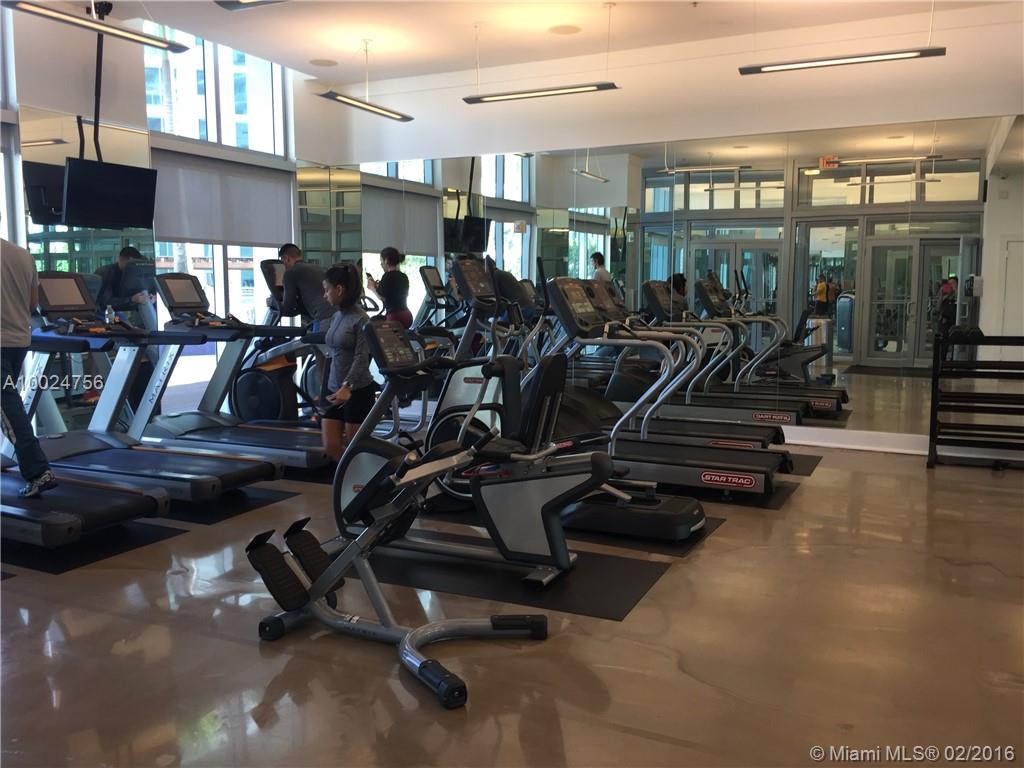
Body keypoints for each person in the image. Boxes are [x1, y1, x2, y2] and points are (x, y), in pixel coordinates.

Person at [1, 235, 57, 497]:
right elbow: (32, 303)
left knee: (8, 409)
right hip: (18, 340)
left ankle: (37, 471)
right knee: (8, 405)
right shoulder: (22, 255)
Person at [321, 264, 376, 461]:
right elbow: (334, 353)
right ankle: (348, 477)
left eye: (327, 290)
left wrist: (347, 386)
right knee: (331, 447)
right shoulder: (336, 316)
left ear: (339, 289)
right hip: (334, 389)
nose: (324, 295)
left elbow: (362, 357)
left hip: (357, 391)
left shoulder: (362, 319)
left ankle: (366, 478)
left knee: (357, 452)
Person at [275, 244, 336, 329]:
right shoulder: (316, 267)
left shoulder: (291, 272)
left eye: (283, 262)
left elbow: (288, 307)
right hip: (337, 314)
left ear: (286, 258)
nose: (284, 266)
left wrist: (273, 302)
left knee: (318, 338)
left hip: (323, 317)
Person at [96, 246, 156, 314]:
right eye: (130, 264)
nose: (132, 268)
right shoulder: (106, 272)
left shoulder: (136, 273)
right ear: (120, 259)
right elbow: (105, 303)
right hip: (107, 313)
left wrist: (149, 297)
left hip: (128, 311)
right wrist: (131, 299)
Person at [366, 247, 413, 328]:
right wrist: (377, 287)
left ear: (386, 260)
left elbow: (383, 298)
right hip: (407, 315)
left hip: (395, 316)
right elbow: (395, 294)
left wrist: (372, 288)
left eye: (381, 261)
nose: (381, 264)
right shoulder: (403, 276)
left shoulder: (387, 276)